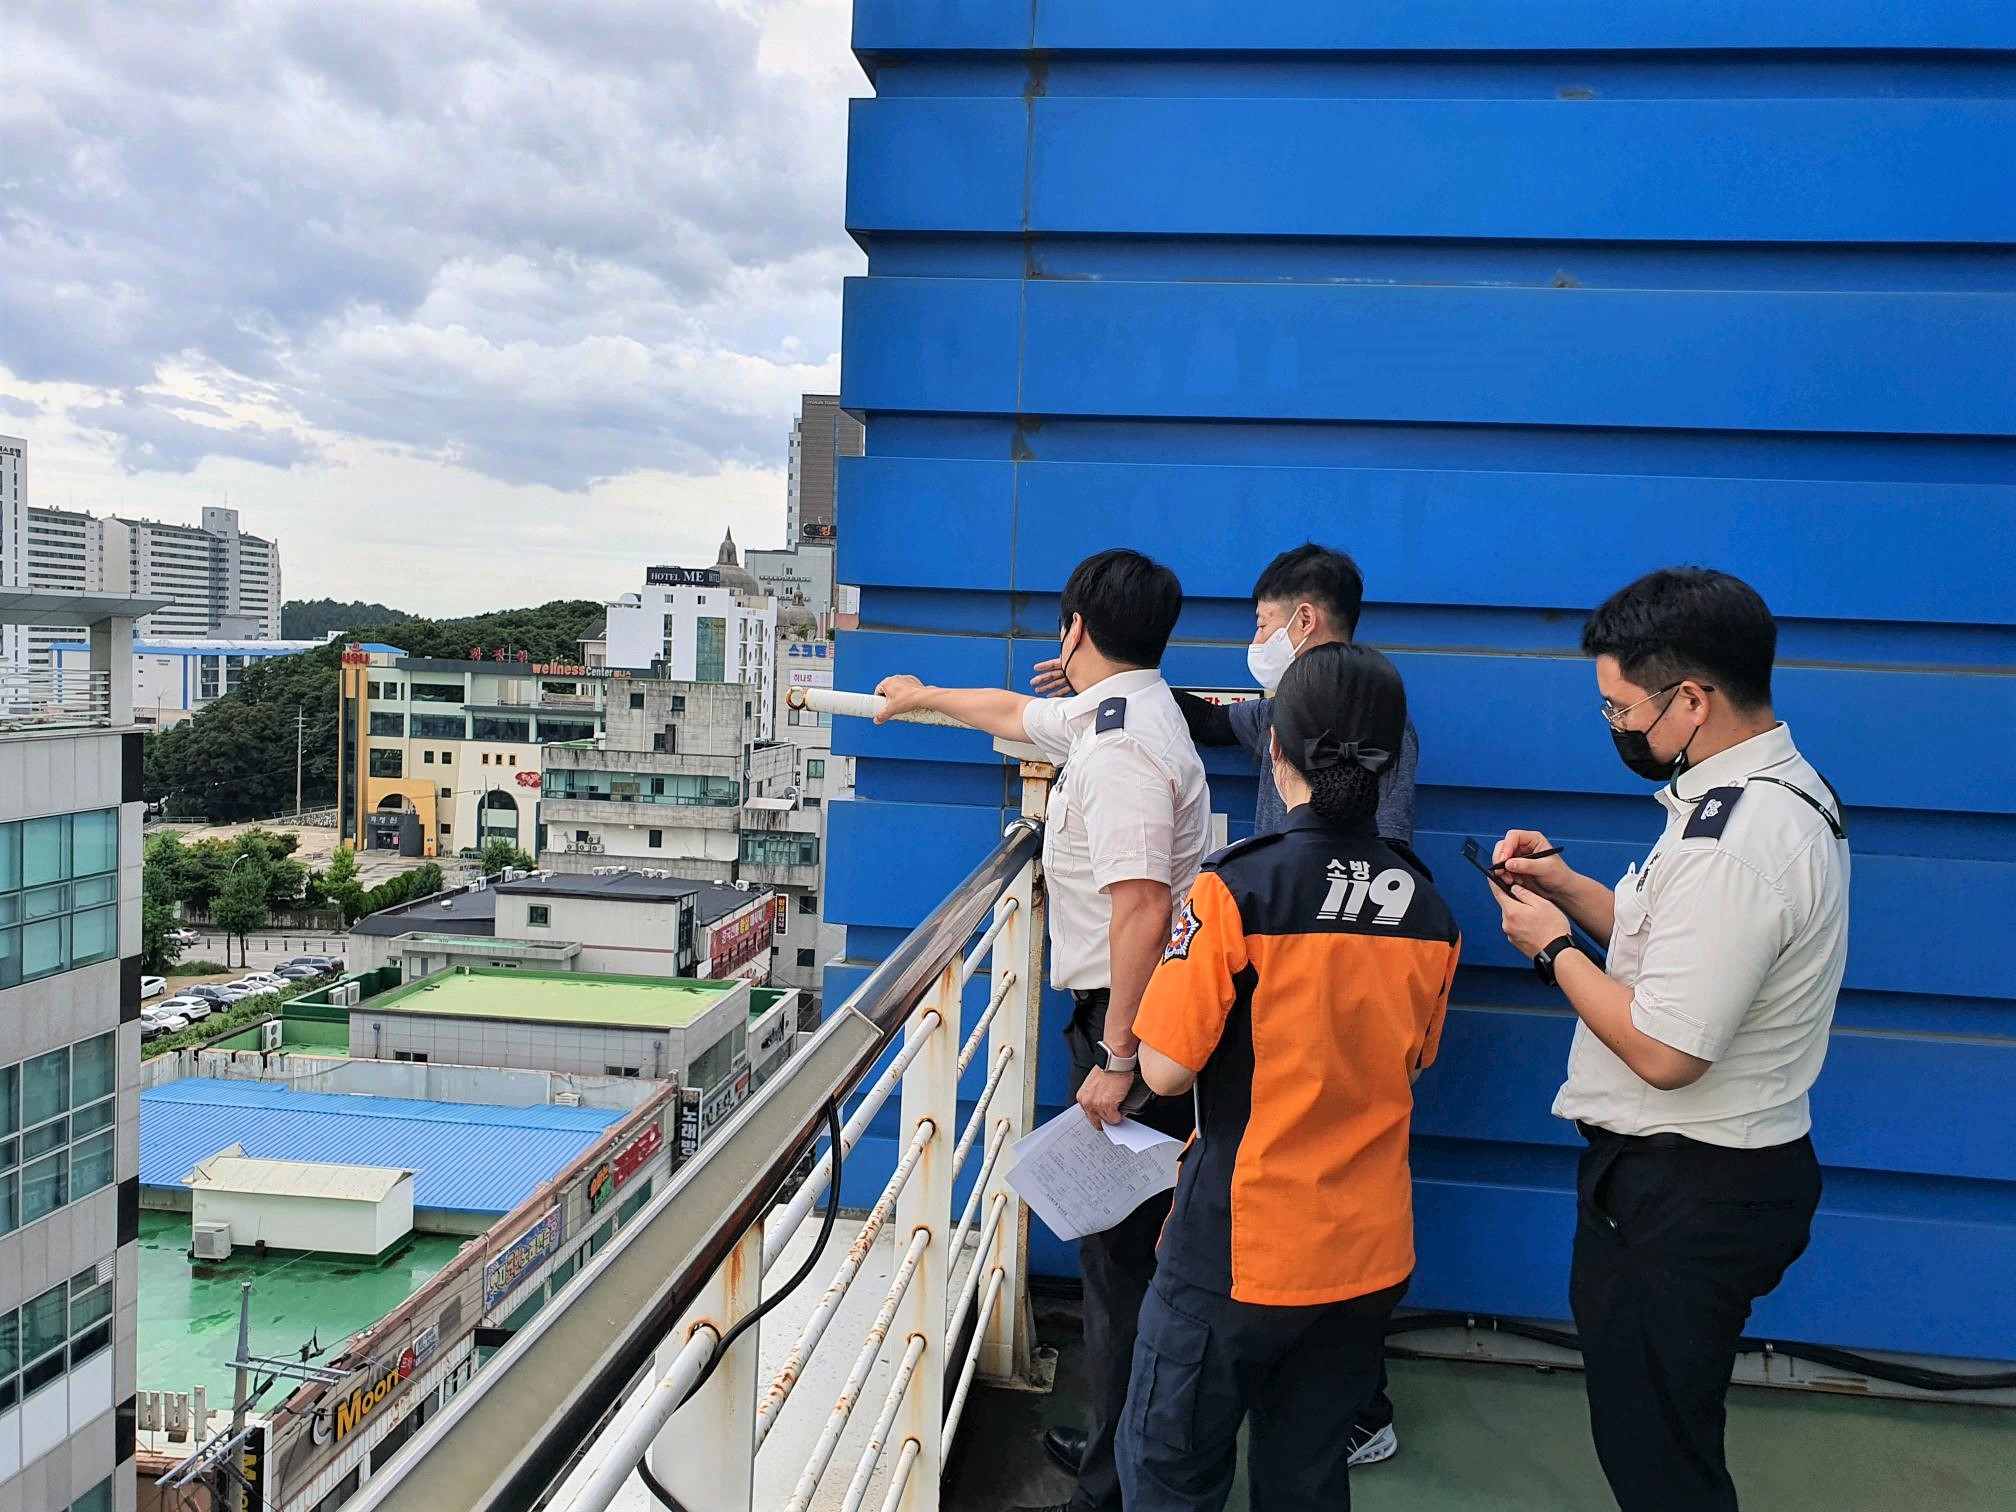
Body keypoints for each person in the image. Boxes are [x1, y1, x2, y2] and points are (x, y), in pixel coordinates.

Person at [1037, 541, 1418, 1466]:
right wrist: (1111, 681)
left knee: (1295, 1184)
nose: (1254, 641)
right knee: (1304, 1184)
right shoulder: (1295, 715)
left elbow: (1363, 874)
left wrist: (1128, 1054)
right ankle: (1317, 1405)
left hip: (1308, 991)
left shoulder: (1352, 734)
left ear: (1303, 621)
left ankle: (1343, 1408)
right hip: (1280, 982)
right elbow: (1210, 719)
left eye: (1261, 624)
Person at [1489, 567, 1849, 1512]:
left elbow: (1666, 1051)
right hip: (1713, 1176)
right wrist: (1568, 888)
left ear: (1692, 699)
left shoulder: (1738, 841)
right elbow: (1681, 960)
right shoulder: (1765, 790)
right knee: (1665, 1435)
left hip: (1686, 1190)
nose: (1615, 727)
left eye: (1621, 709)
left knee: (1659, 1463)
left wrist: (1551, 950)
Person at [874, 547, 1211, 1512]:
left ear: (1075, 630)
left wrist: (1119, 1056)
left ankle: (1118, 1487)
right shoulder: (1119, 710)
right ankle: (1118, 1454)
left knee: (1126, 1270)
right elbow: (1015, 714)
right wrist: (922, 696)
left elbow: (1142, 906)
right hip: (1126, 1016)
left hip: (1130, 1023)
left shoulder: (1123, 751)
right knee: (1120, 1263)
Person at [1115, 643, 1461, 1512]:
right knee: (1307, 1479)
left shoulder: (1235, 891)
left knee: (1169, 1471)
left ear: (1275, 749)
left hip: (1238, 1249)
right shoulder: (1431, 910)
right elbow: (1416, 1059)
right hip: (1366, 1254)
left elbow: (1165, 1068)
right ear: (1393, 761)